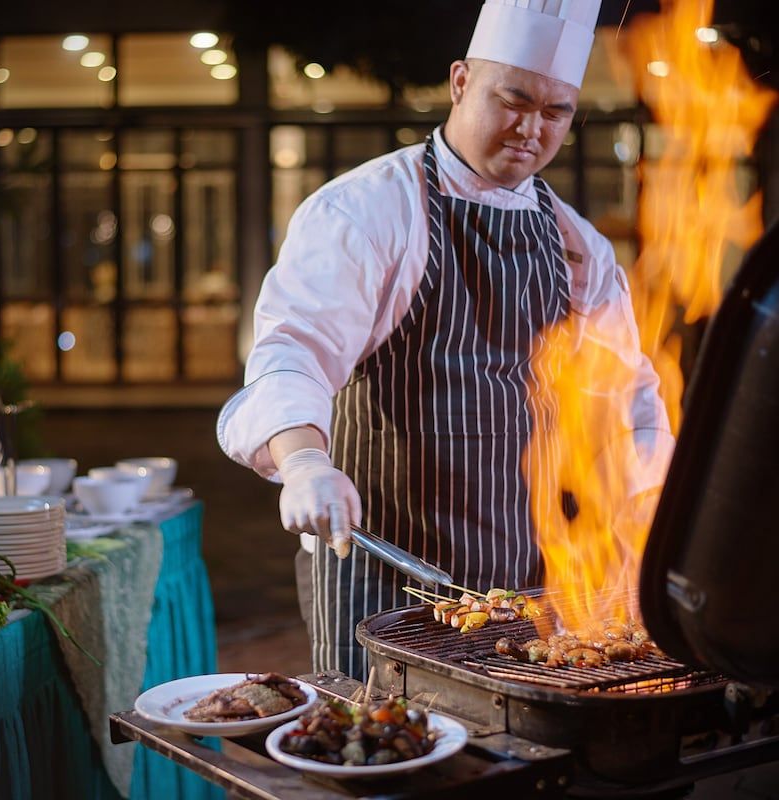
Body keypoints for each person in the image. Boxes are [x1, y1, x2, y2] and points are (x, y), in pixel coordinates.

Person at [217, 0, 674, 681]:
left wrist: (650, 504)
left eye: (556, 113)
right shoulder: (368, 210)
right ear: (461, 82)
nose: (530, 128)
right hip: (382, 574)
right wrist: (305, 461)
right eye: (513, 99)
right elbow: (293, 349)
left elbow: (627, 400)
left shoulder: (581, 247)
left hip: (532, 580)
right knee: (381, 752)